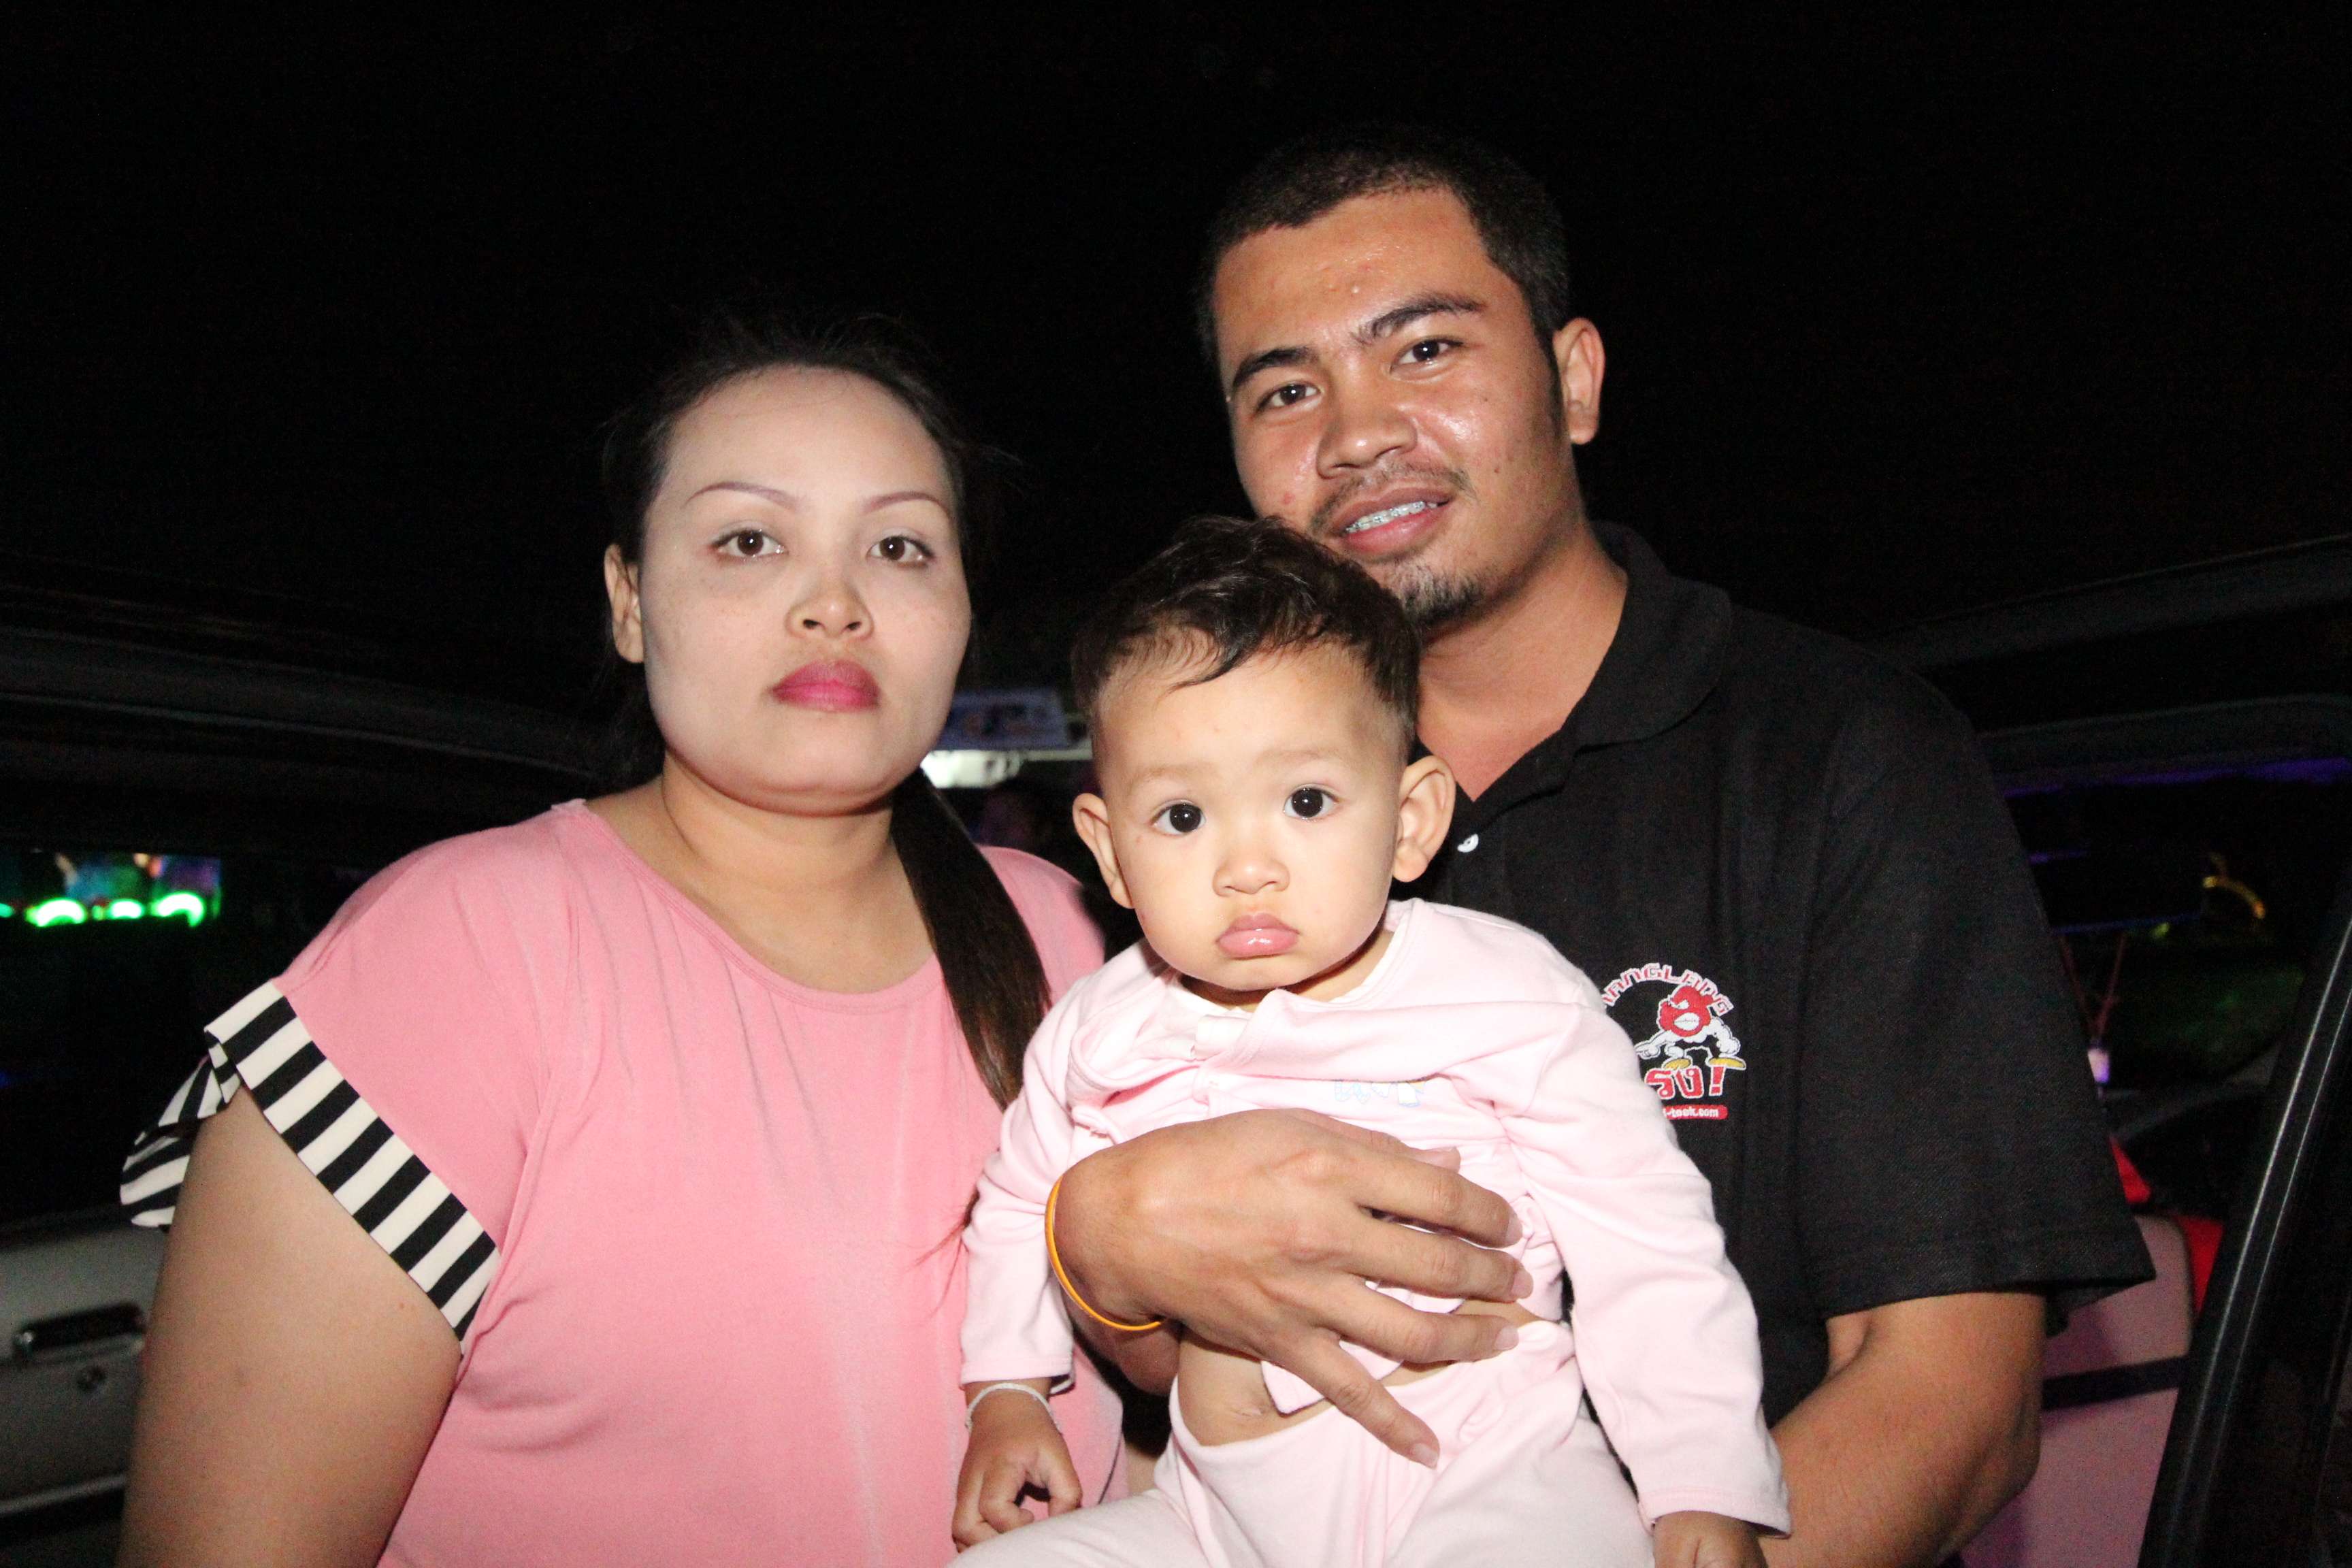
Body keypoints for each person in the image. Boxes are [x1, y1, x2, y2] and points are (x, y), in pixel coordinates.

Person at [1045, 127, 2153, 1567]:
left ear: (1573, 380)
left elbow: (1948, 1399)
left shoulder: (1836, 756)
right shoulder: (1211, 816)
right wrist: (1102, 1246)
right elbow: (1197, 1350)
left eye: (1425, 350)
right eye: (1288, 389)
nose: (1357, 433)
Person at [112, 322, 1123, 1565]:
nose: (835, 603)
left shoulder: (1081, 938)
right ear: (631, 601)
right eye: (749, 541)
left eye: (901, 546)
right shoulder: (458, 960)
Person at [950, 518, 1786, 1567]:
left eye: (1306, 801)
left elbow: (1645, 1238)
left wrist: (1700, 1480)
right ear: (1110, 854)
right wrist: (1008, 1389)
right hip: (1217, 1517)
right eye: (1181, 818)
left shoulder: (1506, 992)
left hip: (1489, 1474)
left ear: (1410, 820)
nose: (1245, 867)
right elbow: (1018, 1200)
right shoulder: (1099, 1025)